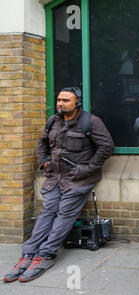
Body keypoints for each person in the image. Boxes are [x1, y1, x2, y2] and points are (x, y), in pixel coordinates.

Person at [3, 87, 115, 283]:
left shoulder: (91, 122)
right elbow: (42, 143)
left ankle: (45, 254)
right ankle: (28, 253)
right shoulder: (53, 121)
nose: (61, 103)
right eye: (59, 100)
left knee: (64, 214)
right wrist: (44, 160)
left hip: (78, 179)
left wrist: (87, 168)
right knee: (47, 211)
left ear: (77, 102)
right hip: (55, 177)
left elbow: (107, 146)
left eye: (66, 100)